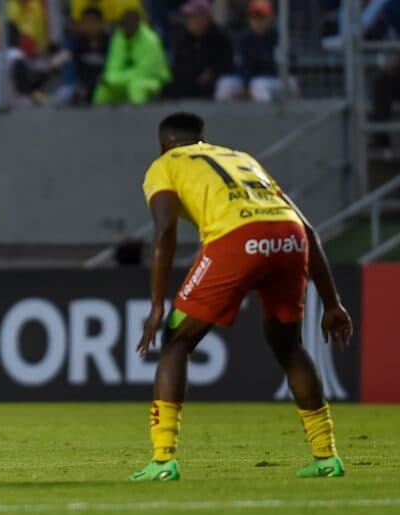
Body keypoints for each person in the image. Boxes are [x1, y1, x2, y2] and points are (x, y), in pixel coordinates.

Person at [130, 112, 352, 481]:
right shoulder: (241, 158)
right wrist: (332, 303)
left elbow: (165, 228)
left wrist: (156, 305)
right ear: (203, 139)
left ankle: (163, 460)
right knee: (289, 347)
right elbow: (308, 230)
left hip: (237, 239)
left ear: (163, 143)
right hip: (290, 237)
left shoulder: (164, 164)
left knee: (176, 341)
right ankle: (326, 456)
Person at [215, 0, 298, 102]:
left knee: (258, 85)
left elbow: (281, 67)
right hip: (249, 81)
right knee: (224, 84)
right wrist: (246, 84)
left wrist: (249, 84)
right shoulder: (244, 39)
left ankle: (267, 113)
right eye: (254, 17)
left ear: (270, 18)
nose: (257, 21)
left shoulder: (278, 38)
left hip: (274, 80)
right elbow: (241, 65)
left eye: (261, 17)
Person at [92, 10, 170, 105]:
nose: (128, 28)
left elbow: (144, 72)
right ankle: (97, 114)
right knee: (103, 88)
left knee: (136, 87)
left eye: (131, 24)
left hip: (153, 80)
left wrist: (113, 79)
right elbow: (113, 66)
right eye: (125, 25)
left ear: (138, 24)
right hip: (124, 80)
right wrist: (110, 79)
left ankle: (139, 114)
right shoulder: (118, 37)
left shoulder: (150, 40)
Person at [164, 0, 234, 99]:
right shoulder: (184, 38)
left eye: (191, 17)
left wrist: (212, 72)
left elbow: (227, 64)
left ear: (204, 18)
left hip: (213, 88)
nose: (187, 20)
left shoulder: (220, 38)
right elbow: (178, 65)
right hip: (188, 85)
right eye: (187, 17)